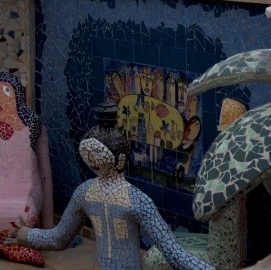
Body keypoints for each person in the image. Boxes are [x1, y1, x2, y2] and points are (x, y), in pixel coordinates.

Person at [11, 108, 213, 270]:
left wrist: (25, 235)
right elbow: (172, 252)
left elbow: (58, 238)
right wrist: (24, 235)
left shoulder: (93, 193)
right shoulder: (125, 198)